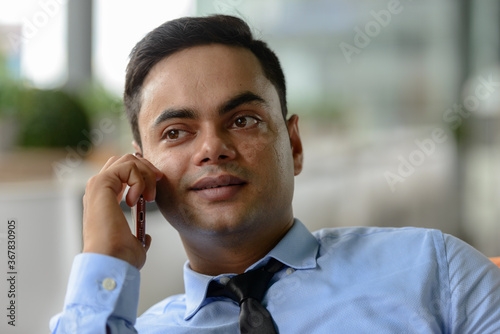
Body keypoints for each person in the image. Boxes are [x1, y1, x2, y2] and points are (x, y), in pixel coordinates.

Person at [50, 14, 500, 333]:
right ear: (142, 173)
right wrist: (105, 260)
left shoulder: (432, 269)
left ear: (295, 145)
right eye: (175, 132)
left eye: (243, 119)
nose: (212, 148)